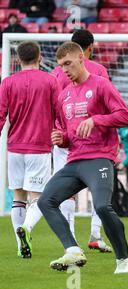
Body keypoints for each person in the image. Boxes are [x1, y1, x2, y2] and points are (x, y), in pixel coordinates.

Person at [38, 41, 128, 273]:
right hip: (74, 160)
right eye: (61, 66)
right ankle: (72, 250)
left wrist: (96, 119)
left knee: (101, 206)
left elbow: (125, 116)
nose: (64, 70)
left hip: (99, 158)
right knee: (45, 201)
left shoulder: (101, 85)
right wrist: (62, 139)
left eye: (68, 63)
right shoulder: (64, 96)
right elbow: (71, 133)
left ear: (81, 58)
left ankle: (123, 260)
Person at [52, 29, 113, 253]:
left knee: (66, 191)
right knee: (100, 190)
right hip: (94, 142)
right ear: (90, 48)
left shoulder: (56, 72)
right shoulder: (98, 71)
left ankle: (71, 241)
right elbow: (108, 105)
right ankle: (96, 235)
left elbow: (53, 104)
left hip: (62, 138)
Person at [0, 41, 60, 258]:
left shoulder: (7, 82)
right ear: (40, 57)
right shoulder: (50, 81)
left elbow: (0, 115)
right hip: (39, 147)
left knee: (18, 196)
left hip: (14, 147)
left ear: (17, 59)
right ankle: (27, 228)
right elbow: (59, 111)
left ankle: (20, 245)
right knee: (38, 198)